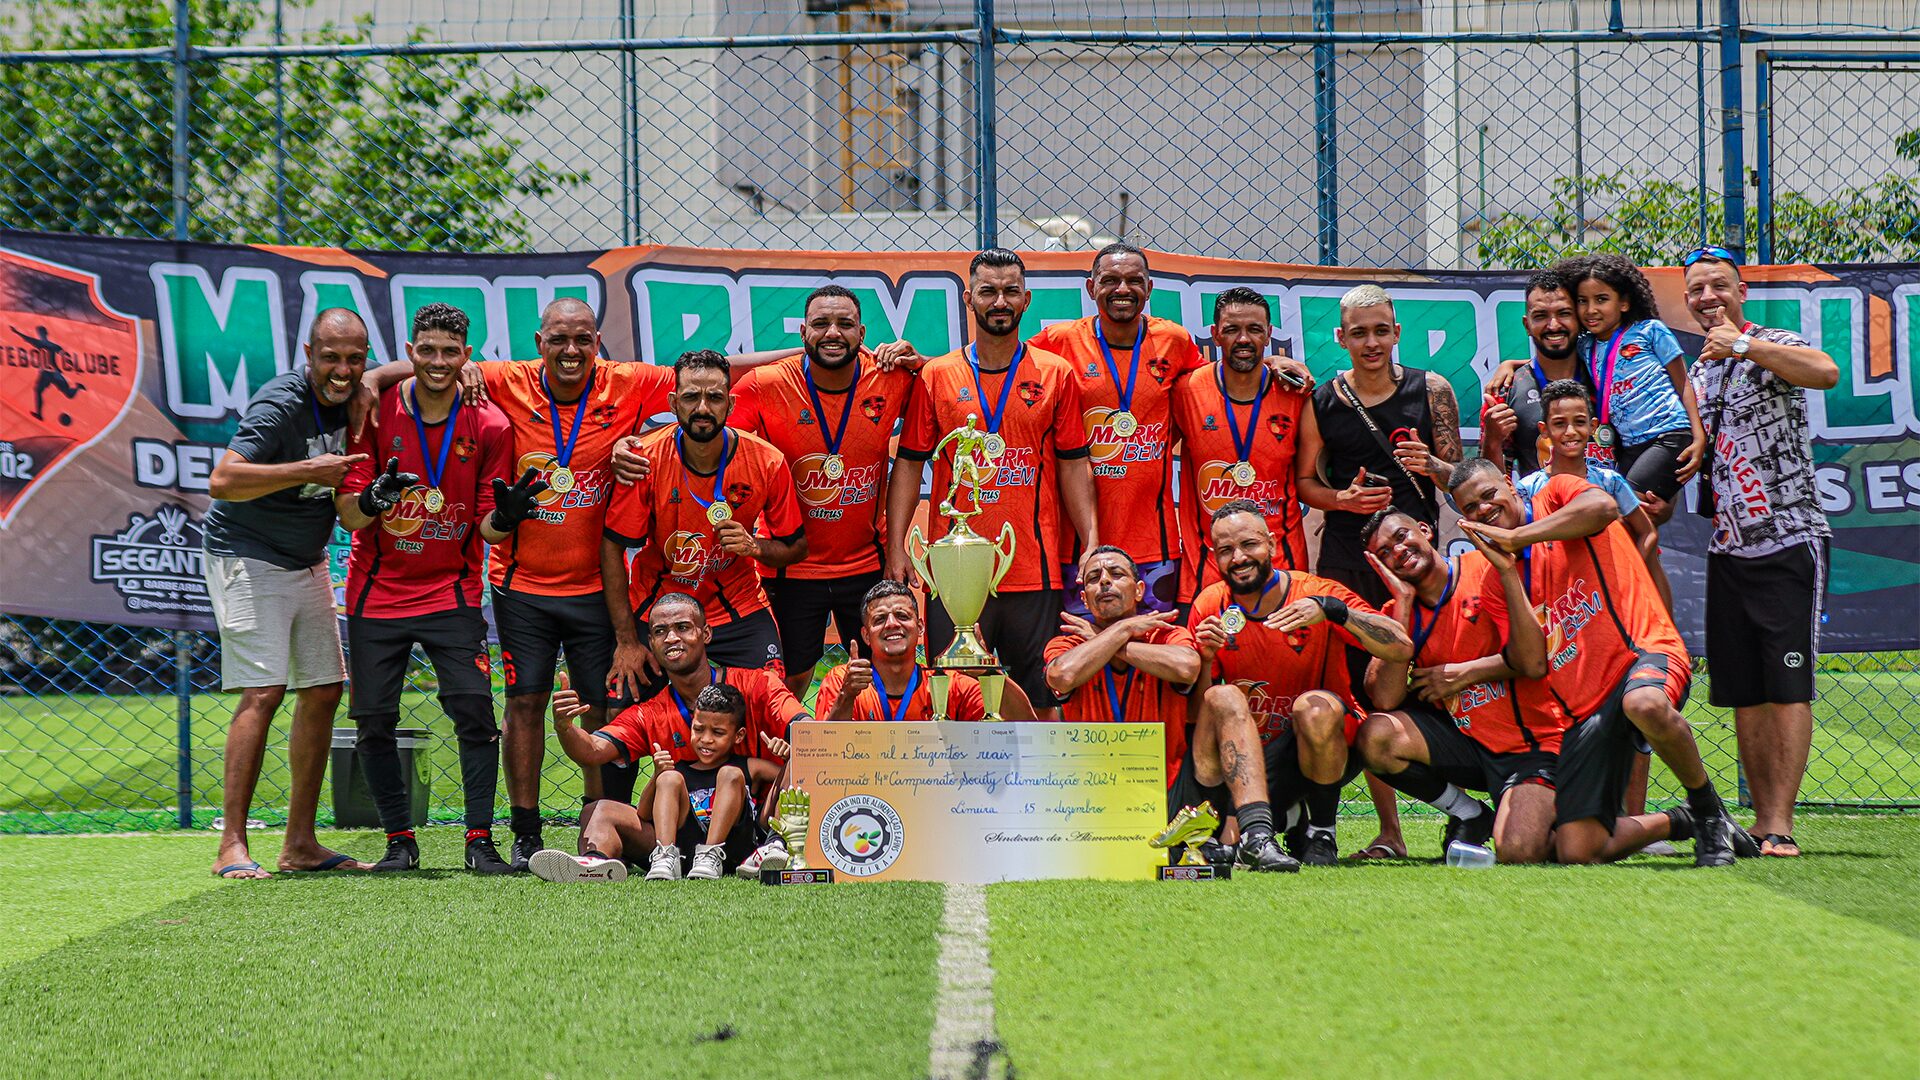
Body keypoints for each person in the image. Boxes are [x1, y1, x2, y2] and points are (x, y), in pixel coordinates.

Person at [359, 296, 677, 870]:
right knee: (524, 704)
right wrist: (376, 377)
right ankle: (526, 834)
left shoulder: (628, 383)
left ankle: (597, 822)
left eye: (583, 339)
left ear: (598, 342)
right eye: (559, 339)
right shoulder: (504, 378)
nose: (571, 350)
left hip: (595, 590)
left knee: (604, 707)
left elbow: (719, 372)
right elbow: (440, 364)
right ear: (539, 343)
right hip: (521, 587)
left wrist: (820, 354)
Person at [1450, 458, 1758, 866]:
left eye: (1489, 495)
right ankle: (1680, 820)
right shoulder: (1494, 580)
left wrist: (1519, 537)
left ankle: (1707, 812)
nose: (1484, 510)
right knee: (1578, 850)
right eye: (1470, 509)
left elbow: (1603, 509)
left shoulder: (1555, 493)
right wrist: (1507, 571)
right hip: (1586, 705)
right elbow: (1532, 664)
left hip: (1642, 651)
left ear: (1509, 483)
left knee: (1643, 704)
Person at [334, 303, 525, 873]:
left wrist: (510, 516)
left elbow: (488, 525)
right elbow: (349, 515)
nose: (439, 362)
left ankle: (478, 841)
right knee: (373, 720)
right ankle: (399, 839)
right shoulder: (374, 412)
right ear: (410, 352)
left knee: (473, 711)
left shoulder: (490, 425)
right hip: (377, 591)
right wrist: (372, 501)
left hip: (453, 591)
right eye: (428, 350)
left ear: (467, 356)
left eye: (451, 351)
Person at [201, 307, 372, 879]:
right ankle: (231, 844)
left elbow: (391, 370)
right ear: (308, 354)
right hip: (246, 555)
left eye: (355, 358)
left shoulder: (354, 389)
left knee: (324, 690)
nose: (343, 370)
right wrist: (306, 469)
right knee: (264, 691)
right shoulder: (281, 404)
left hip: (306, 560)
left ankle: (300, 844)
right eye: (331, 358)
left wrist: (382, 376)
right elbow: (222, 480)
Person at [888, 249, 1098, 712]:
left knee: (1042, 698)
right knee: (956, 700)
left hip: (1033, 570)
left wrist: (1091, 541)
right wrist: (897, 548)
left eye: (1009, 292)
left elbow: (1072, 464)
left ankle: (1042, 786)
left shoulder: (1055, 374)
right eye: (988, 291)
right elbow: (908, 463)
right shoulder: (937, 375)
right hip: (952, 573)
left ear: (1025, 300)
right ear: (969, 298)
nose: (999, 301)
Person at [1684, 244, 1840, 857]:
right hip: (1728, 547)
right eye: (1696, 289)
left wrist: (1745, 346)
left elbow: (1825, 372)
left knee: (1788, 686)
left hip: (1789, 538)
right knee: (1745, 691)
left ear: (1740, 292)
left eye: (1719, 286)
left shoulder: (1770, 340)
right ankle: (1756, 825)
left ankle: (1780, 823)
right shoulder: (1697, 369)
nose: (1707, 299)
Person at [1296, 283, 1462, 860]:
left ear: (1397, 332)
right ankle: (1388, 831)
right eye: (1358, 332)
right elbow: (1305, 484)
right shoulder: (1323, 400)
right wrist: (1342, 501)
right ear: (1340, 338)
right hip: (1347, 560)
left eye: (1381, 330)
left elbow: (1463, 483)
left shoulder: (1432, 389)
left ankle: (1463, 810)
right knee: (1362, 688)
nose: (1371, 342)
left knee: (1434, 680)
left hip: (1416, 562)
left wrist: (1434, 466)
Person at [1189, 500, 1416, 865]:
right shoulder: (1209, 605)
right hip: (1248, 764)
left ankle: (1321, 832)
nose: (1239, 558)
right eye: (1226, 550)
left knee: (1313, 707)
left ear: (1273, 545)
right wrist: (1204, 659)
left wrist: (1333, 611)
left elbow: (1400, 645)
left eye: (1249, 545)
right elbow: (1199, 711)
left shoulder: (1316, 591)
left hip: (1324, 748)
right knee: (1222, 694)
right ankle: (1281, 821)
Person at [601, 349, 807, 735]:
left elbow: (795, 547)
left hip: (737, 605)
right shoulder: (644, 459)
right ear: (673, 402)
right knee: (619, 712)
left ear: (730, 403)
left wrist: (755, 547)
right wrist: (627, 640)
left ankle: (756, 795)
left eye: (714, 398)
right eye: (692, 397)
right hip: (657, 611)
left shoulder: (766, 461)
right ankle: (612, 800)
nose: (702, 408)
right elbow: (612, 549)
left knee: (769, 710)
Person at [535, 593, 806, 882]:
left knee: (804, 753)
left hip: (749, 831)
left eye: (683, 628)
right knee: (597, 810)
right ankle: (596, 864)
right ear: (650, 643)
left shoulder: (758, 684)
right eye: (660, 632)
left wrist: (790, 750)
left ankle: (776, 846)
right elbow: (592, 751)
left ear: (706, 633)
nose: (671, 638)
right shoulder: (649, 712)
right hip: (676, 837)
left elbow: (807, 728)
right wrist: (565, 727)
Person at [732, 285, 918, 696]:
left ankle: (878, 758)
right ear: (802, 332)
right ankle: (785, 759)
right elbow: (707, 426)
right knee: (791, 679)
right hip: (791, 565)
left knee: (882, 677)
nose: (833, 333)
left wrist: (919, 360)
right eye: (820, 324)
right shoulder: (764, 384)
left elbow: (953, 384)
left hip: (867, 562)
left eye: (844, 324)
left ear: (863, 332)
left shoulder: (890, 378)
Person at [1354, 509, 1561, 863]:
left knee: (1520, 851)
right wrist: (1402, 607)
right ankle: (1471, 815)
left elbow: (1536, 658)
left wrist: (1462, 673)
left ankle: (1580, 819)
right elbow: (1384, 697)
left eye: (1401, 536)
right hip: (1468, 746)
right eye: (1385, 552)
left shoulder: (1485, 568)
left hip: (1531, 745)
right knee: (1375, 734)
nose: (1398, 551)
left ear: (1426, 529)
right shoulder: (1397, 611)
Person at [1028, 244, 1198, 613]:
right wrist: (927, 363)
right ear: (1091, 288)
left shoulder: (1175, 341)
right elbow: (999, 368)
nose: (1123, 289)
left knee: (1155, 650)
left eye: (1134, 280)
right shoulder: (1060, 342)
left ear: (1149, 289)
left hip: (1155, 544)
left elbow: (1218, 383)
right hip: (1079, 547)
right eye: (1110, 280)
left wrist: (1269, 360)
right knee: (1085, 650)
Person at [1171, 288, 1314, 595]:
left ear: (1269, 333)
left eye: (1254, 329)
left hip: (1282, 565)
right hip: (1207, 572)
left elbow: (1310, 476)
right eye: (1232, 330)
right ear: (1215, 334)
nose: (1244, 339)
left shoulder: (1295, 395)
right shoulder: (1187, 390)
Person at [1564, 254, 1707, 522]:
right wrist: (1510, 364)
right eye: (1582, 301)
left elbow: (1683, 383)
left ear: (1625, 303)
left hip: (1669, 436)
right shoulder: (1585, 345)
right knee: (1638, 521)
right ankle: (1642, 563)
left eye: (1601, 299)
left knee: (1620, 513)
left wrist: (1699, 436)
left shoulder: (1650, 331)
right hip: (1629, 446)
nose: (1590, 309)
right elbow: (1550, 361)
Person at [1043, 545, 1201, 784]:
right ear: (1084, 599)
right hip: (1093, 787)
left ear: (1139, 591)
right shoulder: (1069, 643)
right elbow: (1062, 676)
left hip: (1164, 781)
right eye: (1094, 578)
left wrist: (1103, 639)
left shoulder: (1165, 635)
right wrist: (1124, 628)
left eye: (1116, 574)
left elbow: (1186, 668)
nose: (1105, 581)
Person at [1518, 379, 1673, 612]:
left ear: (1592, 427)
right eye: (1559, 424)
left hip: (1612, 595)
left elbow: (1647, 531)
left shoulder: (1610, 482)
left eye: (1579, 422)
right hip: (1564, 602)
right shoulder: (1529, 488)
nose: (1570, 432)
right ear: (1544, 429)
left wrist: (1631, 571)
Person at [815, 579, 1038, 720]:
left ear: (920, 627)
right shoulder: (843, 681)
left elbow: (1026, 724)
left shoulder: (949, 684)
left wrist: (990, 672)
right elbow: (824, 753)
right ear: (866, 635)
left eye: (902, 616)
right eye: (880, 619)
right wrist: (847, 696)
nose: (892, 624)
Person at [1480, 268, 1590, 478]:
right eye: (1540, 316)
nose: (1553, 325)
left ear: (1579, 318)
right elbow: (1491, 481)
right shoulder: (1504, 391)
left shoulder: (1607, 376)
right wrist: (1492, 440)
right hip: (1541, 509)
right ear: (1527, 324)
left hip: (1607, 507)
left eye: (1564, 313)